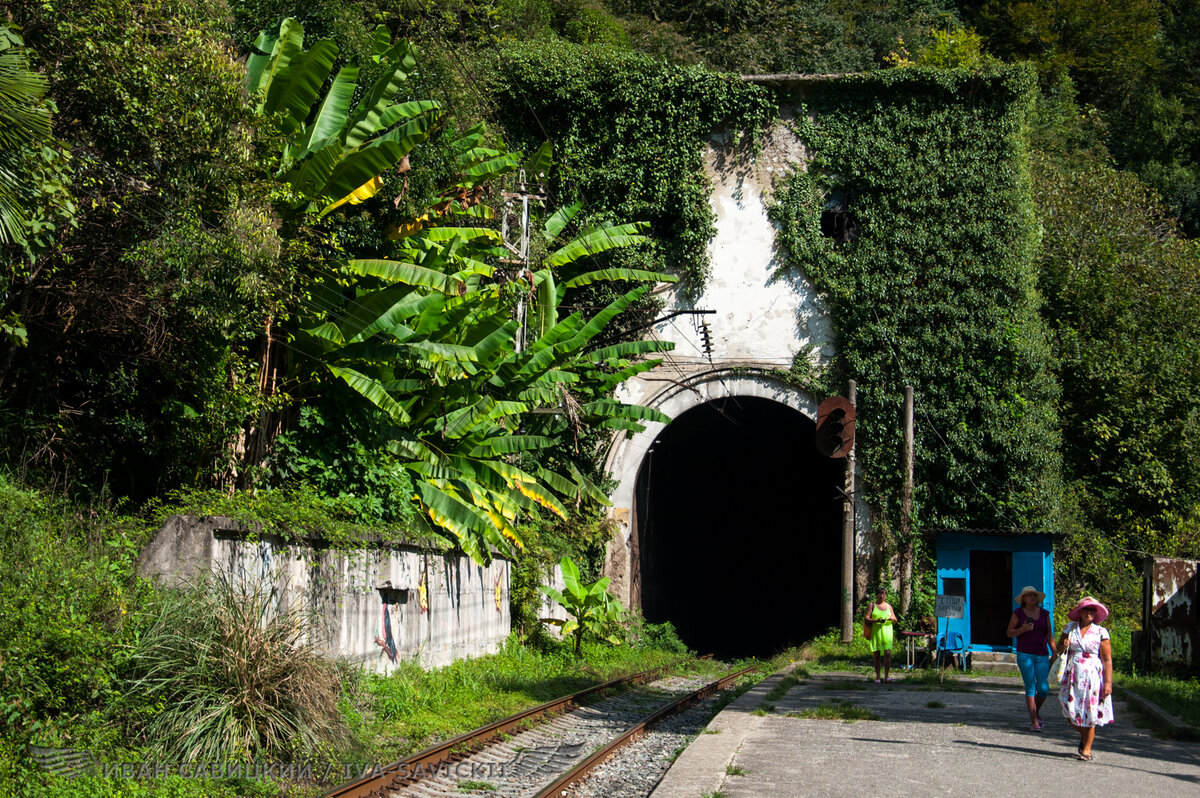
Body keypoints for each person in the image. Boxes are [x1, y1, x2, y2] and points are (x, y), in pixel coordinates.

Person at [1057, 596, 1114, 761]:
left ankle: (1087, 749)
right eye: (1086, 609)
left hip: (1092, 675)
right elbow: (1059, 649)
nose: (1089, 613)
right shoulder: (1069, 628)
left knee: (1089, 711)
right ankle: (1084, 736)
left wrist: (1108, 683)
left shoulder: (1101, 632)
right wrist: (1064, 645)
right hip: (1072, 673)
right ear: (1080, 611)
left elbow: (1107, 659)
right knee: (1067, 707)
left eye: (1092, 610)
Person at [1006, 585, 1055, 730]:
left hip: (1042, 655)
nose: (1032, 598)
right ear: (1024, 599)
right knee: (1031, 687)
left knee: (1044, 688)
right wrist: (1023, 629)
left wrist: (1054, 652)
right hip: (1025, 654)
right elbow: (1009, 633)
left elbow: (1049, 635)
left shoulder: (1044, 614)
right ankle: (1034, 720)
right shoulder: (1018, 613)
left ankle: (1036, 711)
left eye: (1034, 595)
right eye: (1029, 596)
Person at [865, 588, 898, 683]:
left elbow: (895, 619)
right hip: (876, 631)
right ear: (877, 595)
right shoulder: (872, 605)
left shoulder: (889, 606)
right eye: (881, 593)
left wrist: (891, 618)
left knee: (887, 653)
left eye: (884, 594)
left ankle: (887, 676)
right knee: (877, 654)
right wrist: (876, 620)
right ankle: (878, 677)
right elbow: (867, 617)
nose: (883, 596)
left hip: (887, 632)